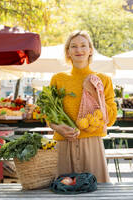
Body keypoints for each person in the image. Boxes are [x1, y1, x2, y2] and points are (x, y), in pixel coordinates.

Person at [49, 30, 117, 183]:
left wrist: (94, 92)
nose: (78, 50)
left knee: (96, 191)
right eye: (73, 46)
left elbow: (111, 119)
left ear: (90, 50)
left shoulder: (103, 80)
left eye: (83, 46)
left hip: (92, 144)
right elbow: (49, 114)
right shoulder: (58, 79)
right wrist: (58, 128)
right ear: (68, 52)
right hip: (64, 143)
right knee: (64, 191)